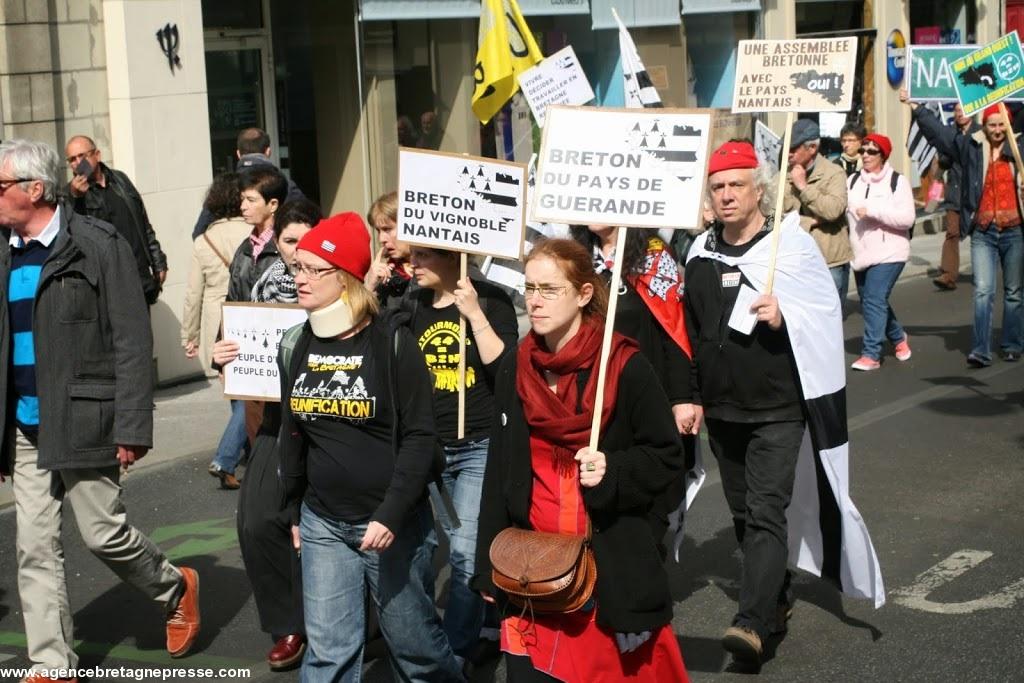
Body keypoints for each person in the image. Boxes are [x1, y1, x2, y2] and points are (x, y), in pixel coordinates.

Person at [0, 139, 200, 683]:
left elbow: (133, 340)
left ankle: (174, 586)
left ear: (33, 189)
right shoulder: (3, 249)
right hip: (23, 424)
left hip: (85, 416)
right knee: (34, 547)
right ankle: (53, 664)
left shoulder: (95, 243)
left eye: (0, 186)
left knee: (101, 534)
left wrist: (133, 423)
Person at [685, 141, 885, 668]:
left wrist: (784, 315)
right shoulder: (699, 253)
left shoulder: (789, 248)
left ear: (759, 191)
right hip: (722, 410)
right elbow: (690, 332)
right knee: (742, 512)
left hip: (778, 408)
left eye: (736, 185)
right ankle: (774, 601)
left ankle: (750, 624)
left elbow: (822, 312)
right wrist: (689, 395)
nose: (727, 196)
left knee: (766, 508)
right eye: (718, 187)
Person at [472, 238, 689, 682]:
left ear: (584, 294)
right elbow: (499, 472)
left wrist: (614, 470)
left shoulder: (624, 366)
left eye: (550, 289)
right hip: (530, 570)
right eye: (530, 288)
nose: (535, 300)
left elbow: (667, 458)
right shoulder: (517, 365)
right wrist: (486, 566)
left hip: (603, 570)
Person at [278, 214, 463, 682]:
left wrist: (391, 512)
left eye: (310, 270)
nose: (297, 278)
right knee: (329, 655)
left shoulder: (393, 343)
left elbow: (422, 437)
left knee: (415, 650)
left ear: (342, 277)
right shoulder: (294, 343)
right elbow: (294, 433)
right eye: (295, 268)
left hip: (391, 524)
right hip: (323, 521)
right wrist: (294, 510)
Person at [213, 198, 322, 671]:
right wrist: (223, 356)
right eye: (289, 241)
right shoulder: (258, 284)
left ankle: (353, 620)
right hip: (273, 422)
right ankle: (287, 625)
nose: (297, 253)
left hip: (330, 422)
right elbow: (231, 340)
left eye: (305, 241)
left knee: (325, 526)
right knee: (257, 521)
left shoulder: (340, 288)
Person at [403, 246, 518, 666]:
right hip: (428, 449)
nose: (411, 264)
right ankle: (467, 627)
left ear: (454, 257)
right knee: (424, 549)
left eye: (423, 257)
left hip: (478, 445)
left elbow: (505, 369)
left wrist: (474, 315)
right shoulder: (410, 303)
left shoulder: (490, 299)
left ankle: (453, 655)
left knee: (466, 551)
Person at [905, 93, 1024, 366]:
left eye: (1000, 125)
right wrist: (917, 109)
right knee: (982, 290)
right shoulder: (971, 147)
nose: (997, 130)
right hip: (983, 230)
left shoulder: (1020, 149)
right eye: (991, 125)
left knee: (1014, 291)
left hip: (1014, 230)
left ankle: (1012, 343)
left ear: (1008, 123)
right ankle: (980, 349)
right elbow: (941, 137)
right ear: (984, 125)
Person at [209, 166, 289, 489]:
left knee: (279, 430)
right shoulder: (245, 248)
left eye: (250, 199)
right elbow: (232, 300)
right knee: (254, 426)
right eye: (242, 199)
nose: (242, 206)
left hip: (279, 353)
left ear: (273, 205)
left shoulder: (284, 247)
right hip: (246, 353)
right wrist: (220, 355)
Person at [65, 134, 167, 306]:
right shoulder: (70, 194)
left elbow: (143, 223)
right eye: (72, 159)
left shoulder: (121, 180)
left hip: (139, 276)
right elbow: (73, 233)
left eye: (82, 156)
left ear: (97, 155)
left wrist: (158, 262)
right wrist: (76, 198)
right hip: (106, 285)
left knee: (142, 331)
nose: (77, 163)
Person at [846, 133, 915, 371]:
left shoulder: (898, 181)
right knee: (872, 301)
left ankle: (871, 354)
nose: (865, 155)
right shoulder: (852, 180)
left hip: (890, 252)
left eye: (871, 151)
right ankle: (898, 338)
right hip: (861, 253)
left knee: (874, 299)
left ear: (883, 156)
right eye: (863, 150)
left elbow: (907, 218)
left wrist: (874, 211)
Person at [181, 172, 251, 376]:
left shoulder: (203, 241)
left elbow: (193, 294)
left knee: (228, 380)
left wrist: (190, 337)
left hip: (218, 318)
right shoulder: (256, 231)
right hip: (251, 312)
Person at [783, 119, 853, 309]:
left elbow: (833, 211)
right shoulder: (782, 175)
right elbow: (773, 216)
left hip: (830, 260)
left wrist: (803, 187)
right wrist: (810, 222)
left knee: (831, 317)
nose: (787, 154)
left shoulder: (834, 173)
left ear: (812, 148)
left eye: (793, 148)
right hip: (796, 260)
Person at [192, 127, 305, 238]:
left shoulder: (223, 187)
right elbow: (305, 220)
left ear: (238, 154)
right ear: (268, 151)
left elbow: (199, 232)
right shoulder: (284, 183)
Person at [933, 103, 979, 291]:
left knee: (979, 236)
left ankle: (984, 270)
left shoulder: (980, 133)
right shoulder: (950, 135)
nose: (960, 115)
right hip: (955, 193)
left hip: (976, 195)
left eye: (963, 111)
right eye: (957, 111)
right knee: (952, 233)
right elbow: (943, 163)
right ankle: (948, 275)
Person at [364, 191, 414, 307]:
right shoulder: (384, 276)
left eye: (387, 229)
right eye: (378, 231)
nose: (381, 239)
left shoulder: (441, 269)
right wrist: (369, 287)